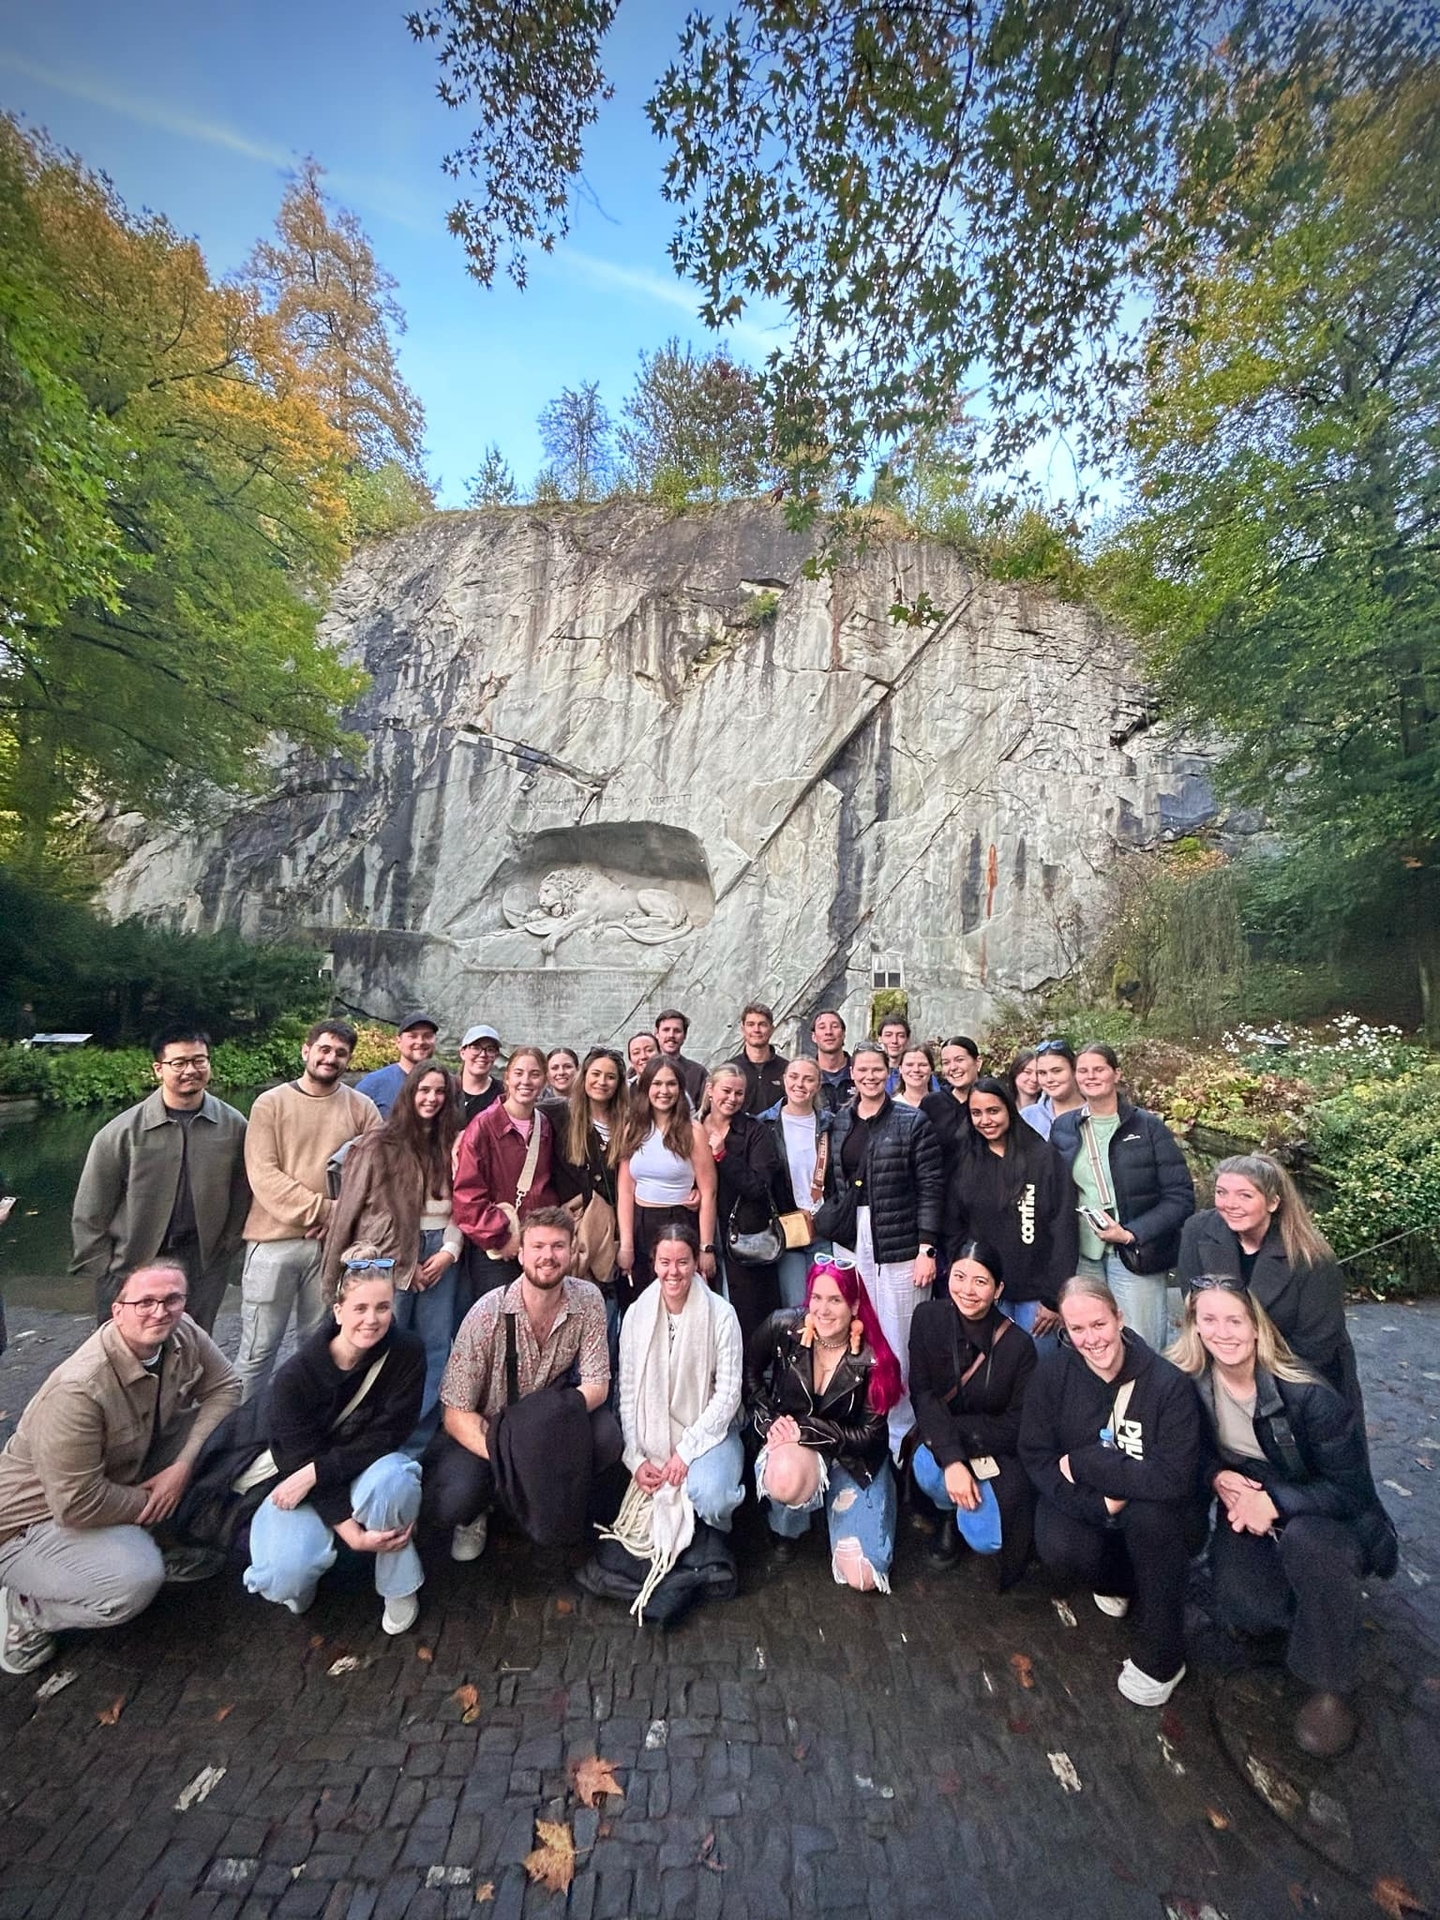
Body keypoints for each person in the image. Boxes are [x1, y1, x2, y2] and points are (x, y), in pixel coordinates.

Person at [1168, 1278, 1395, 1758]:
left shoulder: (1309, 1395)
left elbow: (1353, 1492)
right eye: (1210, 1320)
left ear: (1256, 1327)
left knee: (1308, 1546)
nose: (1223, 1332)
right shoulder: (1194, 1385)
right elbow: (1196, 1453)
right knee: (1242, 1605)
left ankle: (1330, 1684)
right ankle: (1311, 1611)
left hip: (1324, 1516)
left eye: (1235, 1320)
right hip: (1251, 1501)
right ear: (1195, 1327)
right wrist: (1216, 1477)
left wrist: (1275, 1502)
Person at [0, 1263, 241, 1675]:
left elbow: (226, 1387)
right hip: (32, 1520)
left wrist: (183, 1465)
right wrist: (160, 1498)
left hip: (117, 1476)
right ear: (117, 1310)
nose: (160, 1311)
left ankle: (159, 1540)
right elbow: (77, 1504)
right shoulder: (78, 1390)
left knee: (226, 1439)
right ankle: (25, 1609)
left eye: (172, 1299)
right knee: (132, 1581)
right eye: (145, 1302)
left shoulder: (181, 1332)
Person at [1019, 1275, 1201, 1709]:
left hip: (1153, 1511)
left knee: (1153, 1519)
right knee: (1059, 1545)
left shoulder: (1167, 1384)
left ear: (1119, 1318)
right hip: (1093, 1503)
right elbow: (1038, 1455)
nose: (1091, 1339)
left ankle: (1163, 1654)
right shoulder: (1054, 1373)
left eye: (1099, 1324)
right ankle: (1118, 1579)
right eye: (1077, 1329)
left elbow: (1174, 1477)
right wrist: (1097, 1502)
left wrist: (1088, 1463)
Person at [241, 1247, 427, 1633]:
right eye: (360, 1308)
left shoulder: (407, 1353)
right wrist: (351, 1533)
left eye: (382, 1307)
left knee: (396, 1480)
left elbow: (388, 1435)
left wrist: (316, 1471)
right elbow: (296, 1461)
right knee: (282, 1576)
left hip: (359, 1470)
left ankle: (398, 1580)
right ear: (338, 1311)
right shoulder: (294, 1379)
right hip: (301, 1481)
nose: (372, 1319)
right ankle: (306, 1569)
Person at [427, 1209, 620, 1560]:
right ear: (520, 1254)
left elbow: (597, 1385)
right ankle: (480, 1512)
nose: (548, 1256)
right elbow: (455, 1413)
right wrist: (513, 1455)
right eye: (538, 1246)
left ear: (572, 1251)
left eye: (558, 1246)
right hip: (491, 1429)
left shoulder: (589, 1300)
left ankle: (557, 1497)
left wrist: (542, 1434)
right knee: (455, 1497)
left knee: (606, 1436)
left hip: (550, 1421)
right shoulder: (487, 1313)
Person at [322, 1062, 465, 1450]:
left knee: (435, 1346)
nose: (432, 1099)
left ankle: (414, 1442)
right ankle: (368, 1435)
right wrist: (340, 1274)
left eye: (440, 1092)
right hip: (391, 1253)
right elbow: (352, 1212)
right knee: (381, 1342)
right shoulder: (378, 1144)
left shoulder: (454, 1142)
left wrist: (449, 1251)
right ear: (410, 1092)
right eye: (424, 1090)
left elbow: (465, 1202)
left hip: (441, 1251)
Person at [70, 1024, 250, 1331]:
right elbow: (91, 1208)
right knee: (125, 1345)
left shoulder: (234, 1126)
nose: (190, 1070)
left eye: (199, 1060)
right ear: (158, 1069)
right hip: (132, 1259)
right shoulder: (121, 1132)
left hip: (202, 1261)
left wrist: (229, 1244)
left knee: (193, 1341)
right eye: (178, 1063)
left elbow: (243, 1192)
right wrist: (104, 1269)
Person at [238, 1021, 381, 1401]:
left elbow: (379, 1176)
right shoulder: (269, 1104)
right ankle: (239, 1429)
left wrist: (340, 1221)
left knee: (320, 1346)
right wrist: (327, 1213)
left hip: (333, 1249)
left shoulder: (362, 1108)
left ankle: (309, 1422)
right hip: (273, 1243)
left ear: (349, 1060)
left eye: (340, 1053)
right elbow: (264, 1174)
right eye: (324, 1049)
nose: (330, 1058)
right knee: (257, 1351)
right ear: (306, 1050)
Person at [605, 1223, 744, 1611]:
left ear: (696, 1263)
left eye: (683, 1262)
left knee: (711, 1494)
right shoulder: (636, 1314)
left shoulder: (722, 1315)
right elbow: (627, 1390)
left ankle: (714, 1533)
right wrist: (635, 1458)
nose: (674, 1272)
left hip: (710, 1430)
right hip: (655, 1432)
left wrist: (685, 1451)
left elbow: (728, 1395)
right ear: (653, 1263)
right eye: (665, 1262)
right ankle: (693, 1543)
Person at [817, 1042, 942, 1457]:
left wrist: (927, 1247)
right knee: (856, 1328)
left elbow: (930, 1187)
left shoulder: (912, 1121)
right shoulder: (839, 1121)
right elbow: (833, 1182)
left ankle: (901, 1430)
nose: (869, 1077)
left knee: (899, 1333)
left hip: (901, 1238)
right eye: (862, 1070)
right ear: (851, 1074)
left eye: (877, 1070)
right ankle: (862, 1417)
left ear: (889, 1073)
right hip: (852, 1237)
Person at [749, 1258, 902, 1592]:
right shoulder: (784, 1326)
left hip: (853, 1459)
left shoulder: (874, 1358)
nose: (823, 1309)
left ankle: (875, 1495)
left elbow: (870, 1435)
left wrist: (807, 1429)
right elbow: (749, 1372)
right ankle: (791, 1521)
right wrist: (769, 1422)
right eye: (816, 1298)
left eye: (836, 1300)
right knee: (785, 1480)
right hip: (795, 1448)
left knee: (862, 1577)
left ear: (855, 1306)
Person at [1177, 1155, 1362, 1417]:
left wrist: (1249, 1383)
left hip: (1296, 1380)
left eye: (1245, 1195)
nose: (1230, 1204)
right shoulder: (1197, 1230)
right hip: (1220, 1374)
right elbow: (1196, 1312)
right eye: (1221, 1192)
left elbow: (1316, 1345)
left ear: (1273, 1202)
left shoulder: (1311, 1256)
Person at [909, 1241, 1038, 1589]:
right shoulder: (927, 1318)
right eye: (960, 1277)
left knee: (988, 1537)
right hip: (941, 1438)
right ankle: (948, 1514)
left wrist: (960, 1439)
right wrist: (952, 1460)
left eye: (980, 1281)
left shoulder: (1019, 1346)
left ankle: (970, 1513)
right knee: (930, 1470)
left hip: (993, 1448)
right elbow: (922, 1394)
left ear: (998, 1289)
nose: (967, 1290)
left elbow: (1018, 1422)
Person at [1051, 1043, 1195, 1354]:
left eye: (1099, 1069)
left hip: (1134, 1254)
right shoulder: (1064, 1127)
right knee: (1092, 1342)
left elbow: (1180, 1197)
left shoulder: (1147, 1127)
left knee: (1141, 1344)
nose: (1091, 1076)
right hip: (1084, 1255)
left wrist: (1131, 1233)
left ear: (1116, 1074)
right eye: (1083, 1071)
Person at [943, 1076, 1078, 1349]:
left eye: (993, 1111)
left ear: (1009, 1109)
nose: (985, 1120)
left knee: (1038, 1368)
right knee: (992, 1368)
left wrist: (1053, 1297)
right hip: (985, 1292)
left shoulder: (1042, 1158)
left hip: (1037, 1298)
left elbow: (1064, 1227)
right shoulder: (964, 1161)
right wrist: (967, 1280)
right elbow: (953, 1226)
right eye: (976, 1113)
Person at [453, 1045, 563, 1293]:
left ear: (544, 1080)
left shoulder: (544, 1125)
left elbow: (546, 1186)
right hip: (495, 1247)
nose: (526, 1081)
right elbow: (466, 1195)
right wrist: (501, 1237)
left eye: (534, 1074)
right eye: (519, 1073)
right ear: (507, 1078)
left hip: (536, 1243)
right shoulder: (483, 1126)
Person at [617, 1057, 719, 1308]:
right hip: (641, 1224)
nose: (664, 1091)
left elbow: (708, 1192)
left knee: (681, 1302)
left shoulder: (693, 1132)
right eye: (657, 1083)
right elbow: (625, 1189)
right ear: (646, 1088)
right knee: (642, 1303)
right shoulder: (633, 1129)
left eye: (671, 1084)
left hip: (680, 1222)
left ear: (680, 1088)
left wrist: (706, 1247)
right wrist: (627, 1244)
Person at [703, 1063, 783, 1346]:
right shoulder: (692, 1126)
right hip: (702, 1229)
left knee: (747, 1319)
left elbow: (758, 1186)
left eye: (739, 1093)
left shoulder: (755, 1131)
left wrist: (723, 1156)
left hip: (744, 1236)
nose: (732, 1098)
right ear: (710, 1090)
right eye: (726, 1091)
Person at [554, 1047, 627, 1357]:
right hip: (573, 1227)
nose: (602, 1082)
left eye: (610, 1077)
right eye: (596, 1074)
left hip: (613, 1231)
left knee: (606, 1313)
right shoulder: (558, 1115)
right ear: (584, 1077)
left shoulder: (628, 1122)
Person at [761, 1057, 833, 1309]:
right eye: (793, 1077)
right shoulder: (765, 1125)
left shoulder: (831, 1124)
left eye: (808, 1079)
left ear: (818, 1085)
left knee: (826, 1304)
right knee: (795, 1308)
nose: (799, 1084)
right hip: (787, 1228)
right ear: (784, 1080)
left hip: (823, 1227)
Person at [354, 1013, 439, 1120]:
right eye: (413, 1036)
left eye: (427, 1036)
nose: (420, 1041)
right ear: (398, 1042)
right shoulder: (374, 1083)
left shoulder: (448, 1084)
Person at [920, 1037, 981, 1188]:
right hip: (941, 1193)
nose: (953, 1067)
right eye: (946, 1063)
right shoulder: (932, 1104)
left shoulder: (993, 1100)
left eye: (959, 1060)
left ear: (978, 1062)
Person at [727, 1002, 788, 1114]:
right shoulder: (729, 1069)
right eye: (751, 1024)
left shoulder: (787, 1070)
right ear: (743, 1029)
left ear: (772, 1029)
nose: (756, 1029)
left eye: (762, 1024)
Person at [1019, 1039, 1085, 1141]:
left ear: (1074, 1071)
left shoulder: (1096, 1113)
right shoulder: (1027, 1117)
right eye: (1042, 1073)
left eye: (1057, 1071)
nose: (1049, 1079)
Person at [654, 1008, 708, 1111]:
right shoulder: (642, 1070)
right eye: (666, 1030)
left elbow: (703, 1111)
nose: (671, 1035)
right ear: (657, 1033)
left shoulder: (698, 1073)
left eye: (677, 1031)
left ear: (684, 1036)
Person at [810, 1009, 854, 1113]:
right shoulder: (807, 1075)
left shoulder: (861, 1072)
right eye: (822, 1027)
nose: (828, 1032)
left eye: (834, 1026)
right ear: (814, 1036)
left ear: (843, 1034)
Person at [458, 1024, 503, 1123]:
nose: (483, 1054)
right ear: (462, 1052)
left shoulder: (503, 1094)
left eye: (490, 1049)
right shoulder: (447, 1088)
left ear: (496, 1056)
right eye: (476, 1048)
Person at [893, 1043, 938, 1108]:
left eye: (922, 1065)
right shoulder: (890, 1108)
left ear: (931, 1069)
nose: (916, 1070)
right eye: (909, 1065)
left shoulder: (943, 1106)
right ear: (900, 1069)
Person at [1008, 1048, 1041, 1114]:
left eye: (1039, 1073)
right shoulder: (1003, 1106)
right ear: (1015, 1072)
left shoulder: (1049, 1111)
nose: (1034, 1079)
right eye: (1027, 1072)